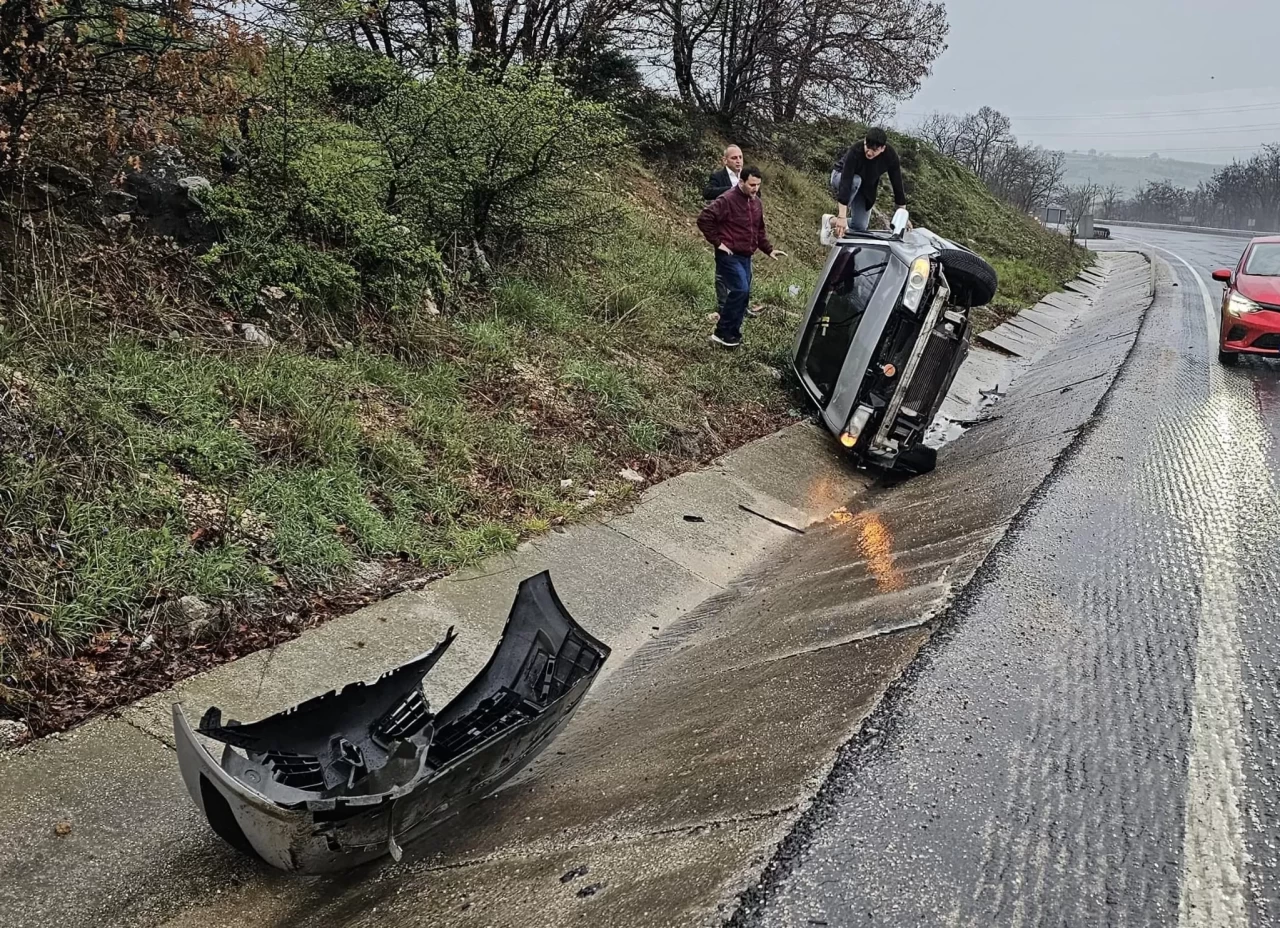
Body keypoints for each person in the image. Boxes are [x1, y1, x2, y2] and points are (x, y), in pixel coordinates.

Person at [696, 167, 787, 348]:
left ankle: (732, 334)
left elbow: (758, 230)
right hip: (729, 255)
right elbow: (704, 218)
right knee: (740, 290)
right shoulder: (728, 199)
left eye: (758, 185)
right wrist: (718, 242)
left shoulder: (756, 202)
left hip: (746, 256)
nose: (755, 188)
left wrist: (768, 250)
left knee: (743, 296)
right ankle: (721, 333)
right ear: (741, 182)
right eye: (752, 185)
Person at [832, 128, 907, 237]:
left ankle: (830, 221)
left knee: (860, 226)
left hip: (864, 187)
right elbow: (846, 182)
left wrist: (903, 216)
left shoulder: (890, 156)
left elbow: (897, 185)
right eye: (867, 147)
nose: (869, 152)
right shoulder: (855, 151)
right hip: (840, 176)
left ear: (882, 148)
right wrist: (842, 215)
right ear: (864, 141)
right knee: (855, 180)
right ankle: (841, 221)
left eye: (874, 150)